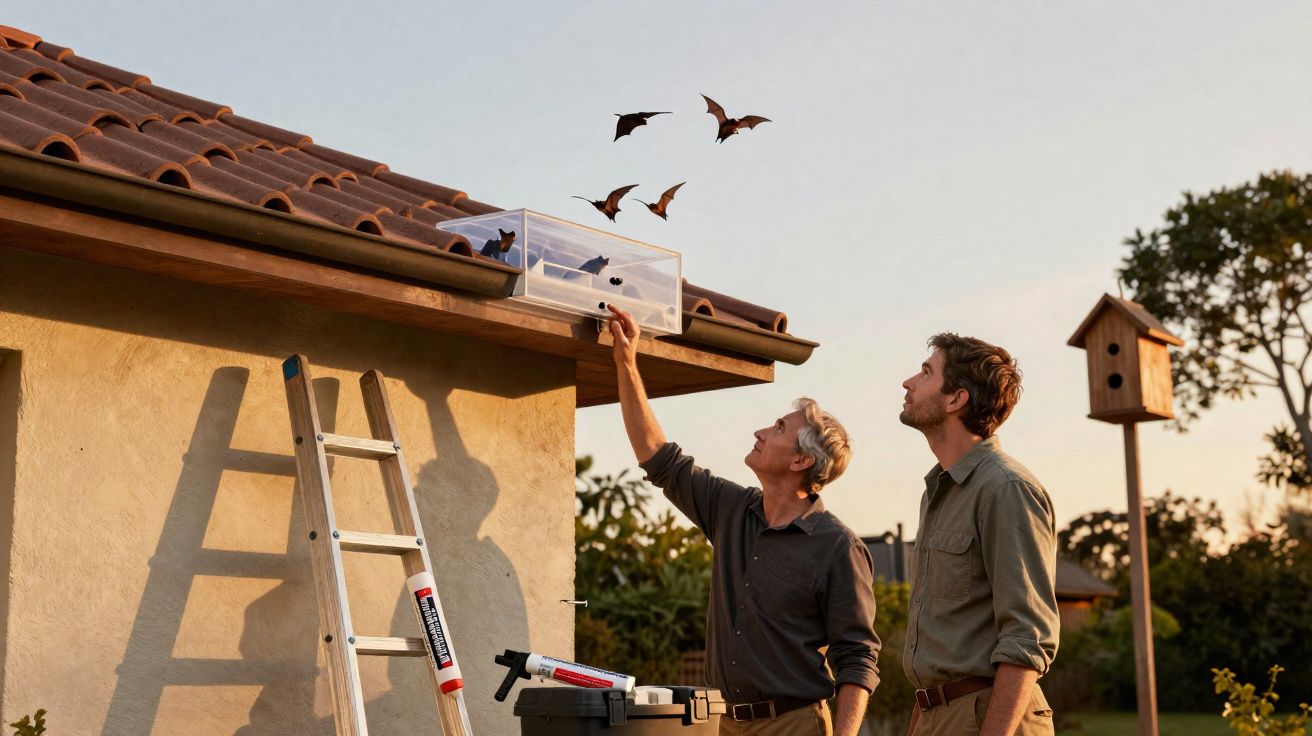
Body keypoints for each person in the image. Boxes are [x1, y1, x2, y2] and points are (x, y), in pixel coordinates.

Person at [606, 305, 880, 736]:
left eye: (777, 428)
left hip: (795, 726)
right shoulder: (730, 509)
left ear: (801, 460)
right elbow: (658, 457)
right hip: (728, 725)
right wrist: (626, 362)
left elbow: (857, 657)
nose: (760, 431)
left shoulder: (837, 548)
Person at [898, 333, 1059, 735]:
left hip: (988, 717)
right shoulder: (937, 492)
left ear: (956, 399)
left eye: (925, 372)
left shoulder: (1006, 488)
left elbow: (1026, 638)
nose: (908, 383)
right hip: (937, 715)